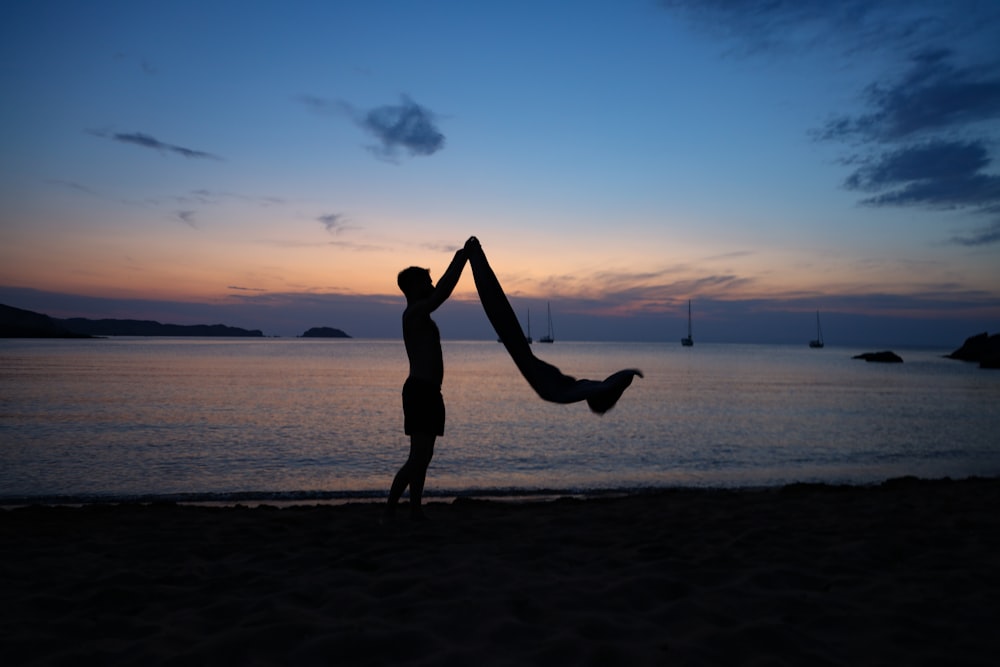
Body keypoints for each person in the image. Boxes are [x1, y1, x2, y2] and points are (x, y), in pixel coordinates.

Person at [386, 236, 478, 520]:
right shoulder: (413, 313)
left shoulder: (420, 315)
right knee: (417, 458)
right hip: (419, 392)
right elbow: (442, 295)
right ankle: (389, 511)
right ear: (414, 288)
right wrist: (462, 257)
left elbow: (438, 294)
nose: (432, 284)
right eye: (427, 281)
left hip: (430, 392)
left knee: (424, 457)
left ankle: (414, 509)